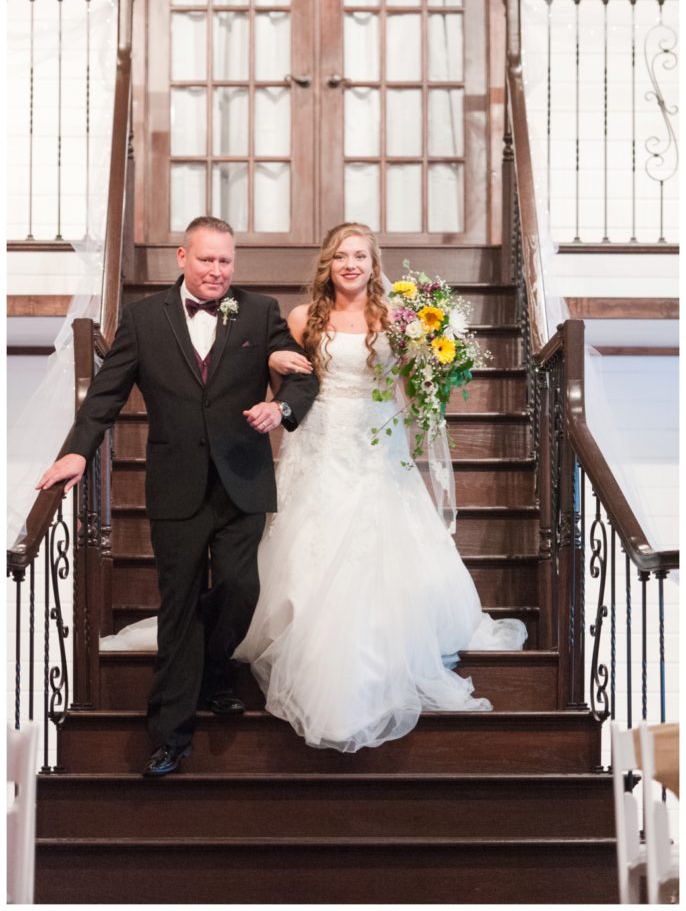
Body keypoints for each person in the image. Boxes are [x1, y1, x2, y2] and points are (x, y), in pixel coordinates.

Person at [36, 216, 319, 776]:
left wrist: (281, 407)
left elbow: (304, 377)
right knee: (180, 605)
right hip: (176, 485)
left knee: (242, 589)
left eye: (226, 261)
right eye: (208, 259)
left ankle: (215, 670)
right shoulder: (144, 320)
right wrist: (77, 450)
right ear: (182, 258)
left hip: (242, 480)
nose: (218, 271)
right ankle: (170, 734)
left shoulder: (259, 312)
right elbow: (106, 395)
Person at [234, 223, 527, 752]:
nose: (351, 264)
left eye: (360, 256)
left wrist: (436, 365)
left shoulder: (397, 317)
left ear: (374, 263)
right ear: (328, 263)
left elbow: (411, 384)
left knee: (374, 546)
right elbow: (290, 386)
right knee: (313, 544)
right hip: (320, 441)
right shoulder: (303, 318)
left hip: (374, 440)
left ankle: (368, 667)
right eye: (341, 256)